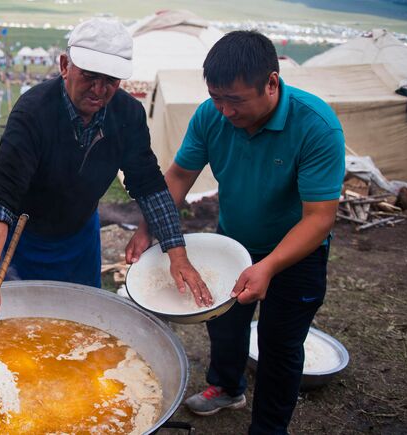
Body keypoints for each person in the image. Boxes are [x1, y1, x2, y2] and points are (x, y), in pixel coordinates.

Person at [127, 31, 345, 434]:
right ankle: (227, 387)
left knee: (281, 345)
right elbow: (179, 175)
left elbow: (319, 218)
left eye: (237, 100)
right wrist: (147, 227)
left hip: (295, 254)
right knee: (224, 324)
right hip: (233, 241)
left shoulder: (317, 127)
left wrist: (270, 266)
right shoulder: (210, 116)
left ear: (272, 84)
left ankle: (268, 428)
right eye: (217, 97)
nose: (225, 110)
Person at [0, 18, 212, 332]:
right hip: (23, 239)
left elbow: (148, 184)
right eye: (89, 76)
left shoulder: (128, 114)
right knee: (20, 326)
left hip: (81, 237)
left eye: (110, 80)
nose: (99, 90)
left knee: (80, 324)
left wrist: (176, 252)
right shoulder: (34, 111)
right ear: (65, 65)